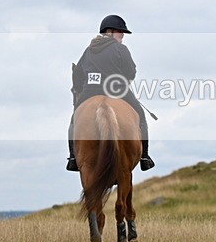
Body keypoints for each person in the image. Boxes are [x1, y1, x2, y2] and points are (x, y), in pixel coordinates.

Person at [66, 14, 155, 171]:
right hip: (117, 91)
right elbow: (131, 73)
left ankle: (73, 157)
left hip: (89, 92)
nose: (122, 36)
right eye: (121, 33)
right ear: (111, 32)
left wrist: (82, 88)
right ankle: (144, 157)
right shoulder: (120, 49)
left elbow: (78, 75)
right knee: (140, 115)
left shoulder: (89, 51)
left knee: (74, 120)